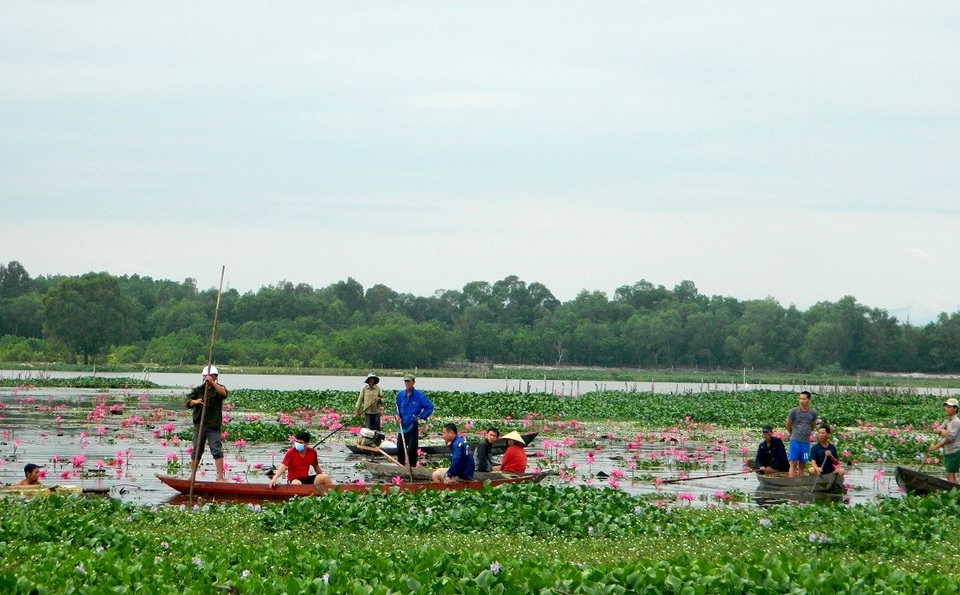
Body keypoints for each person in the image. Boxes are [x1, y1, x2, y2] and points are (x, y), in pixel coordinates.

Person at [186, 365, 228, 482]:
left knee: (216, 450)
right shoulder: (198, 390)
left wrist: (213, 383)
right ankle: (192, 476)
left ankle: (220, 477)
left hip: (213, 426)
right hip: (200, 425)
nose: (208, 378)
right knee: (196, 450)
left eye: (212, 376)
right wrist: (195, 402)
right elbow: (188, 402)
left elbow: (223, 394)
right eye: (206, 376)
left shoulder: (219, 388)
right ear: (203, 377)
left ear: (215, 377)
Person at [394, 373, 434, 467]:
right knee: (400, 448)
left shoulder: (419, 395)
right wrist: (396, 415)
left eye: (409, 381)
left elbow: (429, 407)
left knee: (411, 450)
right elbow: (396, 408)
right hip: (402, 426)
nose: (407, 383)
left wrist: (421, 417)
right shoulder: (400, 395)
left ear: (413, 382)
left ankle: (412, 468)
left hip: (412, 424)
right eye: (405, 381)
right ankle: (401, 468)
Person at [269, 431, 334, 487]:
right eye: (296, 442)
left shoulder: (312, 452)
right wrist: (274, 479)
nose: (297, 444)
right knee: (297, 484)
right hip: (294, 480)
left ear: (306, 443)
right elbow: (283, 466)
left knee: (326, 477)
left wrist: (321, 476)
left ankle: (335, 496)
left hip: (306, 478)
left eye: (300, 442)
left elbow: (316, 466)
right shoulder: (291, 452)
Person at [785, 391, 818, 477]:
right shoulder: (794, 411)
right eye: (800, 399)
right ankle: (791, 483)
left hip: (806, 443)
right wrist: (793, 433)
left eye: (804, 399)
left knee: (802, 464)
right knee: (793, 463)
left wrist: (807, 433)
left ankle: (801, 482)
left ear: (808, 400)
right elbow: (788, 425)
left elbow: (813, 425)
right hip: (795, 441)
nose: (802, 401)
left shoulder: (813, 413)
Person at [928, 397, 960, 483]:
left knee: (949, 474)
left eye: (949, 407)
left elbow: (950, 438)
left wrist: (936, 447)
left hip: (954, 450)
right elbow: (937, 429)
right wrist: (942, 431)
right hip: (948, 450)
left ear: (955, 408)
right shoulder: (947, 420)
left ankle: (954, 493)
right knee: (951, 474)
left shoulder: (956, 422)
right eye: (946, 406)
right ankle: (955, 492)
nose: (947, 409)